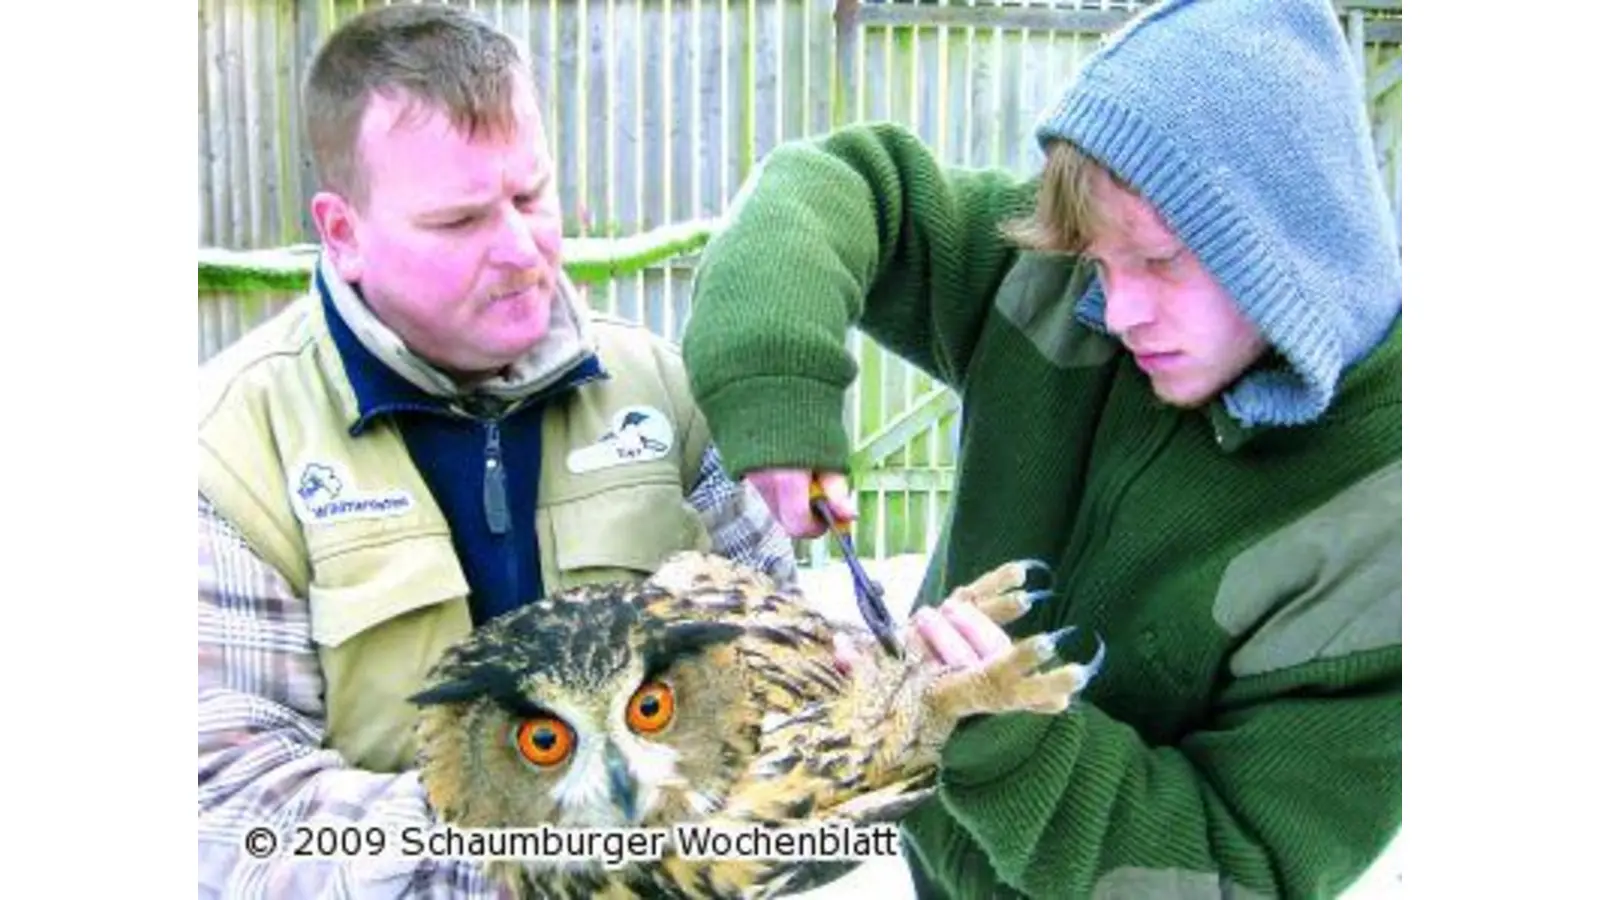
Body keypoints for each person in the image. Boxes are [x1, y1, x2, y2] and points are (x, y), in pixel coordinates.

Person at [680, 0, 1401, 896]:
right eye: (1099, 263)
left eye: (1160, 263)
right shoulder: (1069, 289)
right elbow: (843, 185)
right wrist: (775, 374)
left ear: (1286, 238)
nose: (1118, 310)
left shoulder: (1393, 526)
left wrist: (1005, 726)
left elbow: (1240, 874)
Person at [196, 5, 797, 896]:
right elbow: (229, 814)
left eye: (530, 196)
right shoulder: (230, 449)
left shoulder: (658, 392)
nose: (520, 250)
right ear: (343, 232)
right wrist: (545, 845)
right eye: (459, 220)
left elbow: (786, 671)